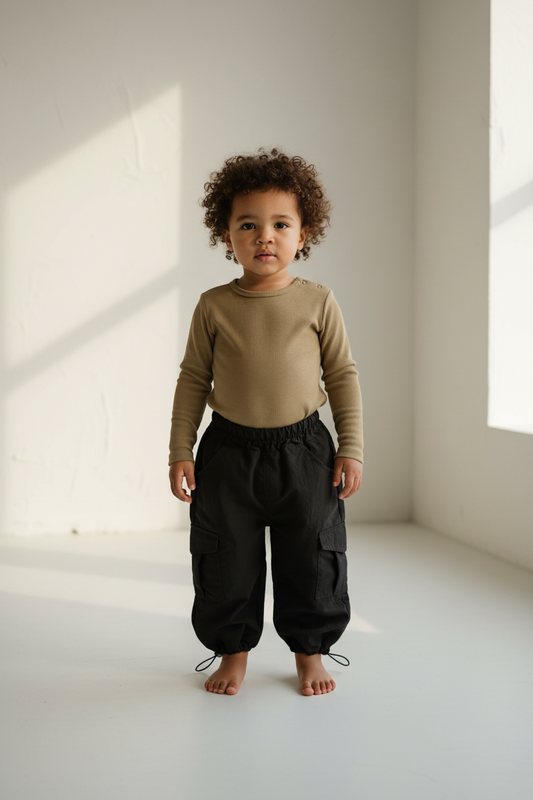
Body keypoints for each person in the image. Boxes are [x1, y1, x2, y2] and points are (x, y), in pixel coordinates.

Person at [168, 148, 363, 696]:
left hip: (305, 452)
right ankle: (232, 653)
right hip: (228, 453)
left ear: (304, 233)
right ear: (226, 234)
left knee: (312, 555)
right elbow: (192, 381)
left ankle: (309, 652)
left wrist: (352, 447)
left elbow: (342, 375)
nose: (264, 237)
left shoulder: (318, 302)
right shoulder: (213, 306)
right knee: (227, 559)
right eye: (247, 225)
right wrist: (179, 449)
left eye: (281, 224)